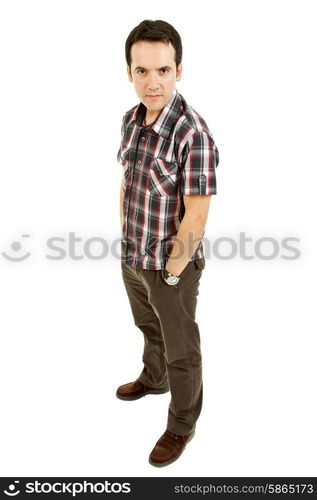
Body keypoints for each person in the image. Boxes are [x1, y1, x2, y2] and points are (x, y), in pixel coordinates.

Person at [116, 19, 219, 467]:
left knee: (182, 349)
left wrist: (174, 272)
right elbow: (127, 179)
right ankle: (153, 378)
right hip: (133, 253)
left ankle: (181, 424)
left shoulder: (192, 133)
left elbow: (196, 214)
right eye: (142, 71)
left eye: (162, 70)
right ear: (130, 72)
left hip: (170, 264)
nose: (152, 82)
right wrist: (123, 237)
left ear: (179, 70)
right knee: (148, 327)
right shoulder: (131, 119)